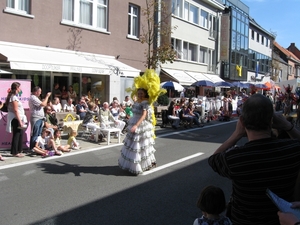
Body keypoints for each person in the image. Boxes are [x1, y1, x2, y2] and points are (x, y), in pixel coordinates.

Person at [208, 94, 300, 225]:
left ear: (243, 122)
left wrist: (236, 135)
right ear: (272, 120)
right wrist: (288, 126)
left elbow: (213, 159)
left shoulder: (235, 158)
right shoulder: (291, 149)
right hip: (281, 220)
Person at [118, 69, 166, 175]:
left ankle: (145, 164)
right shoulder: (137, 101)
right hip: (134, 122)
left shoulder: (145, 102)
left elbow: (144, 115)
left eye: (141, 93)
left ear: (145, 94)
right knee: (133, 145)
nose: (139, 94)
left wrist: (136, 125)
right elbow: (133, 111)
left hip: (141, 125)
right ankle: (137, 164)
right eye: (138, 93)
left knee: (141, 145)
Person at [5, 82, 27, 157]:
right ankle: (15, 152)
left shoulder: (13, 97)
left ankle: (18, 150)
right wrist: (20, 121)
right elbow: (15, 110)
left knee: (20, 134)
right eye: (19, 87)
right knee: (16, 135)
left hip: (18, 118)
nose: (20, 89)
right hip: (16, 118)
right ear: (17, 88)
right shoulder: (13, 97)